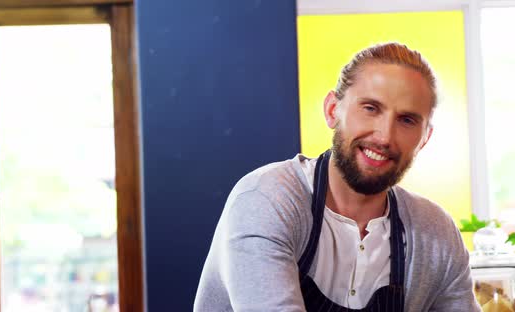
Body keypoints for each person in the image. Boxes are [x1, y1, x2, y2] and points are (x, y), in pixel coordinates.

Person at [194, 42, 481, 312]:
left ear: (424, 138)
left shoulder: (436, 232)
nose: (384, 136)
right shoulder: (266, 200)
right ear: (333, 110)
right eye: (370, 108)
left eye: (406, 120)